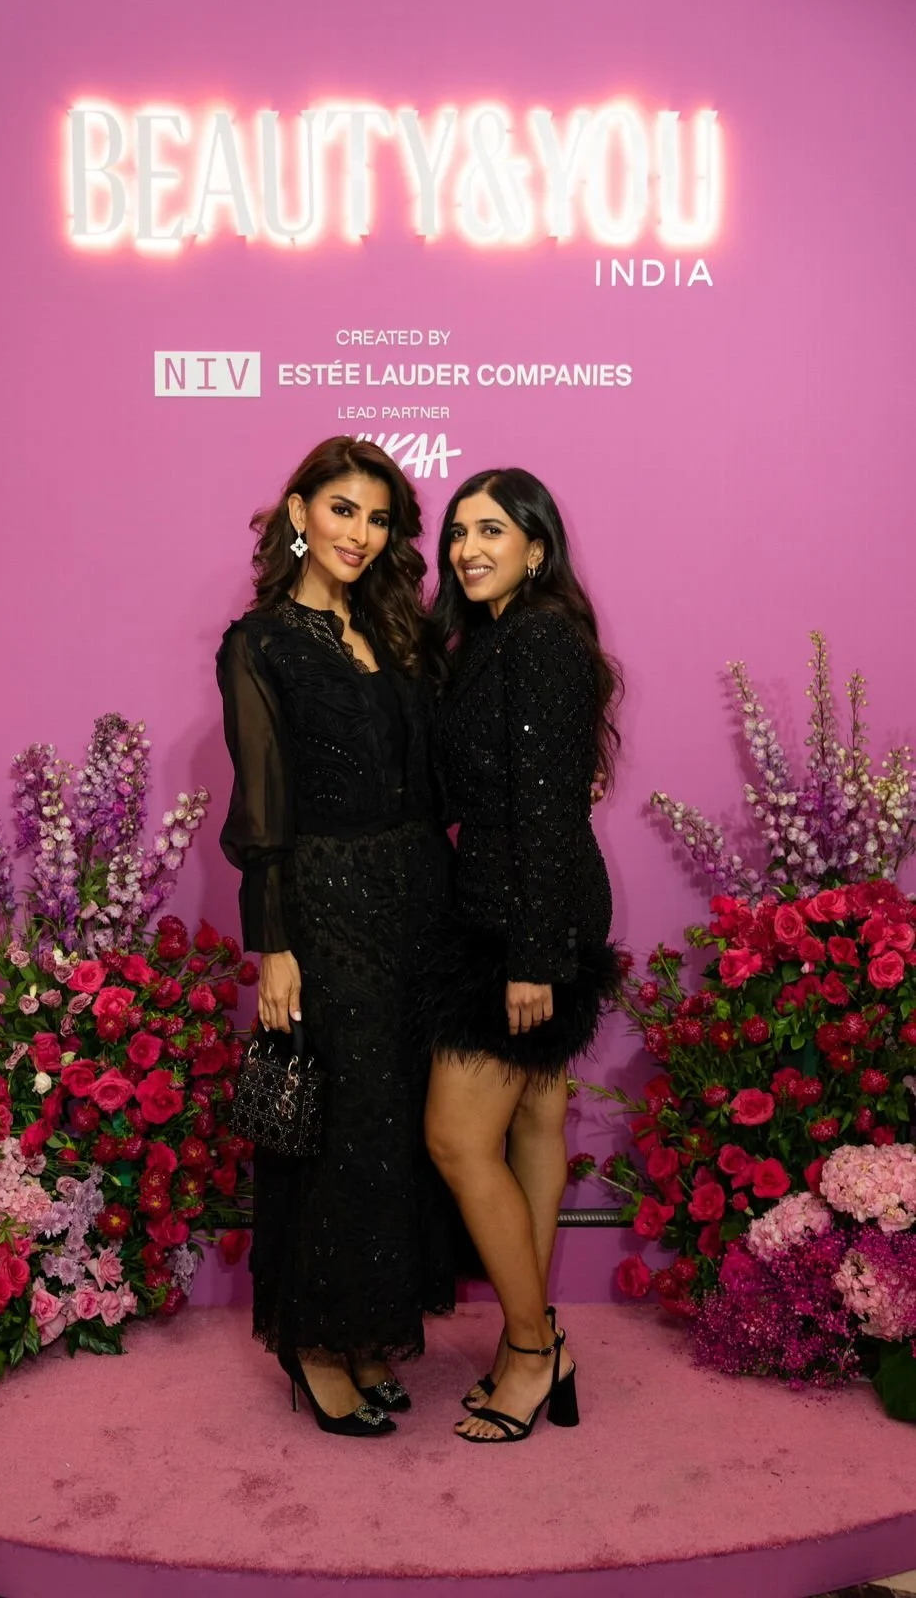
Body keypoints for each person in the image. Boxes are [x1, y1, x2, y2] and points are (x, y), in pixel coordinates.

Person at [216, 436, 454, 1438]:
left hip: (416, 899)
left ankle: (366, 1331)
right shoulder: (260, 642)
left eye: (379, 517)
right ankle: (314, 1348)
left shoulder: (398, 629)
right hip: (325, 900)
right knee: (338, 1126)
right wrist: (276, 945)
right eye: (344, 510)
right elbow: (263, 805)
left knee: (399, 1123)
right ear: (299, 511)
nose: (362, 534)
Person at [420, 467, 622, 1444]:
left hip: (522, 922)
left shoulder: (537, 639)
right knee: (536, 1121)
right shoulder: (491, 640)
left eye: (492, 530)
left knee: (460, 1139)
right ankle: (531, 1341)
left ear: (536, 548)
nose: (468, 548)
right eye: (459, 531)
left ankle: (534, 1349)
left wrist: (534, 957)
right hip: (520, 904)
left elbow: (543, 809)